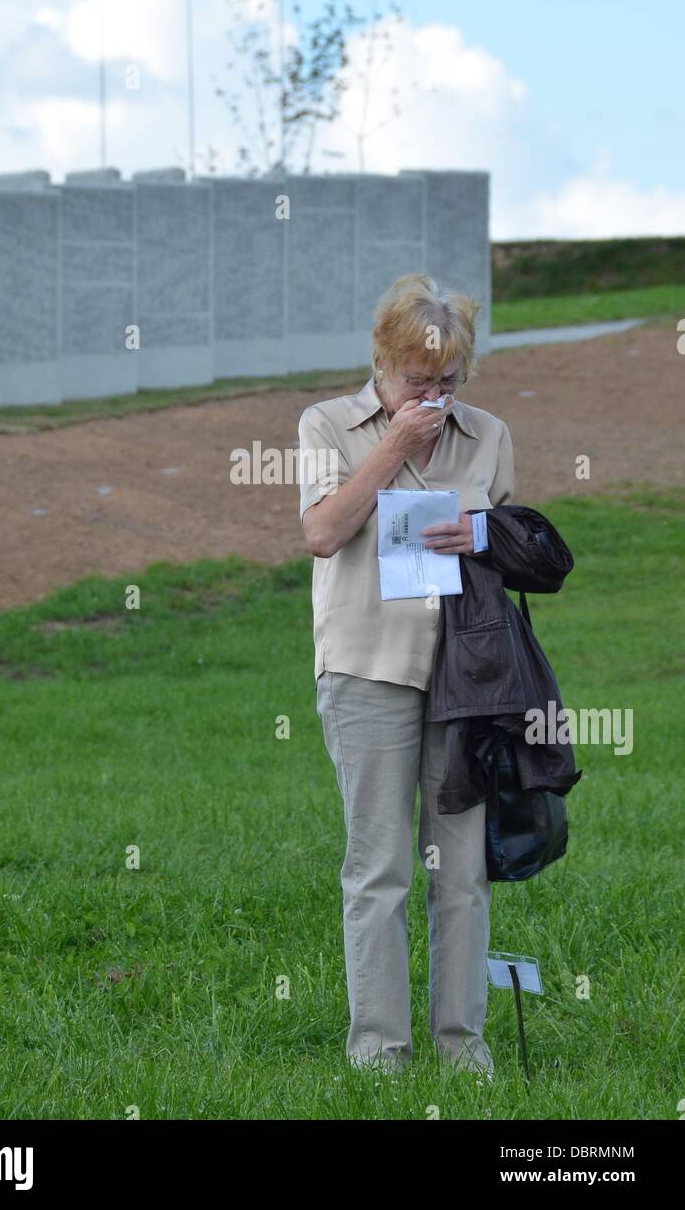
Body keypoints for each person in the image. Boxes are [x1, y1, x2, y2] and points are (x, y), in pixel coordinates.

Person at [297, 273, 514, 1078]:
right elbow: (321, 532)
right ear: (381, 365)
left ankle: (465, 1053)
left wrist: (483, 536)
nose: (434, 397)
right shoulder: (325, 424)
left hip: (464, 677)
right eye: (418, 382)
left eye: (447, 382)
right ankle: (379, 1055)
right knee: (378, 867)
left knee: (459, 872)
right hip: (366, 671)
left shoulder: (488, 433)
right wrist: (393, 447)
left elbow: (517, 542)